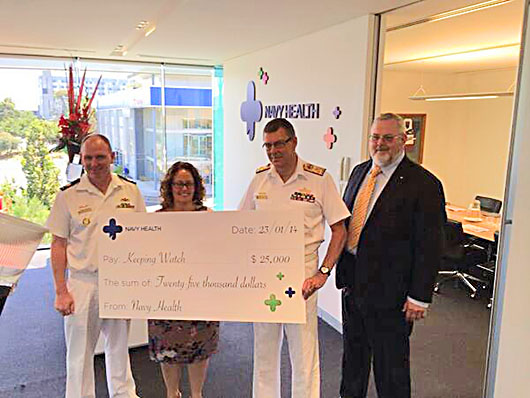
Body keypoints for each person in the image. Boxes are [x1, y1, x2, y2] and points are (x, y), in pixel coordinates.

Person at [336, 113, 446, 398]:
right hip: (353, 284)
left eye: (387, 138)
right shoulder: (361, 172)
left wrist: (419, 295)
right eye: (375, 137)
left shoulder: (424, 184)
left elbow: (430, 245)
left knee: (391, 369)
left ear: (403, 141)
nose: (379, 143)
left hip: (392, 294)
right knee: (353, 361)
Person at [239, 118, 350, 398]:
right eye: (268, 145)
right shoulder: (260, 179)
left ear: (294, 142)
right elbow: (239, 225)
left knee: (303, 353)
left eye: (279, 144)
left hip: (302, 276)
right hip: (265, 275)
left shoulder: (318, 179)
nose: (273, 151)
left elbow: (339, 229)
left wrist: (323, 272)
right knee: (264, 352)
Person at [47, 134, 145, 398]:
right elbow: (58, 244)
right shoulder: (68, 196)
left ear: (112, 157)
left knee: (119, 347)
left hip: (118, 281)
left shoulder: (130, 191)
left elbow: (144, 236)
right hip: (82, 282)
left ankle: (124, 394)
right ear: (82, 160)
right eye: (88, 158)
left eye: (100, 157)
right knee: (79, 352)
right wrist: (60, 290)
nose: (94, 163)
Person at [148, 161, 219, 398]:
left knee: (199, 347)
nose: (183, 189)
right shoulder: (156, 219)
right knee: (168, 347)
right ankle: (172, 393)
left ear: (196, 186)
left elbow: (220, 252)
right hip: (165, 295)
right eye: (178, 184)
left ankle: (197, 394)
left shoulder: (208, 217)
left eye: (188, 184)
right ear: (170, 186)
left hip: (200, 295)